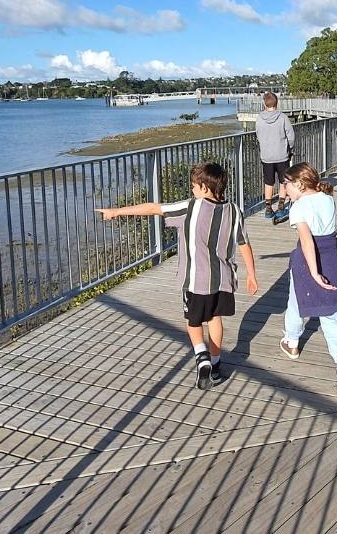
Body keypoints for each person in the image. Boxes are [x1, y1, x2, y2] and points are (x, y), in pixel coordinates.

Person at [96, 162, 259, 390]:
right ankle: (216, 363)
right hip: (222, 279)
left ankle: (202, 357)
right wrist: (251, 274)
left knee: (193, 321)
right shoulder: (234, 210)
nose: (191, 190)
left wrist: (116, 212)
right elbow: (243, 243)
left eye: (193, 186)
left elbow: (154, 208)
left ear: (204, 188)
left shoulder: (191, 207)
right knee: (215, 319)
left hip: (194, 280)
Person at [278, 163, 337, 395]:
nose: (285, 189)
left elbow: (307, 241)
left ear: (299, 184)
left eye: (287, 184)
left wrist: (314, 272)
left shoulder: (299, 207)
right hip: (331, 257)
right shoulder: (328, 198)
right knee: (333, 313)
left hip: (307, 261)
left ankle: (292, 342)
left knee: (297, 301)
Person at [255, 91, 295, 221]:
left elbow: (258, 135)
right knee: (284, 181)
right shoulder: (283, 117)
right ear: (276, 103)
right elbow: (291, 136)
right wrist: (290, 148)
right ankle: (281, 207)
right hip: (282, 155)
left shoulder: (259, 118)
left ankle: (268, 209)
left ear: (264, 104)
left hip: (266, 156)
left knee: (268, 182)